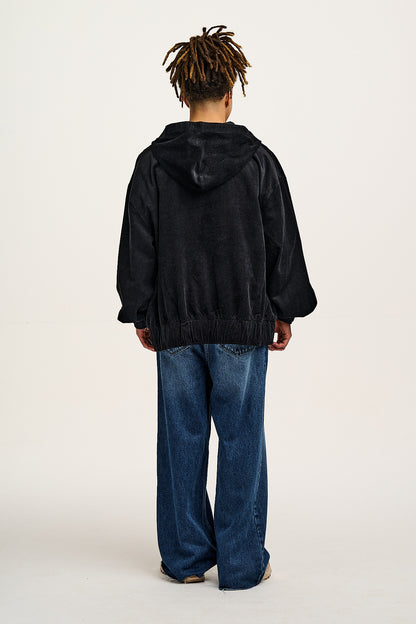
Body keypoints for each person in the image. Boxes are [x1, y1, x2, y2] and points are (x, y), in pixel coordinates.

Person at [116, 24, 317, 591]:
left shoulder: (153, 165)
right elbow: (281, 242)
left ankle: (185, 560)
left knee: (180, 439)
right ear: (231, 93)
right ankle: (243, 563)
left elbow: (137, 245)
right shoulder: (259, 162)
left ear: (183, 93)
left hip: (176, 326)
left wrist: (142, 311)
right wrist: (284, 309)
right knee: (242, 438)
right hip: (241, 325)